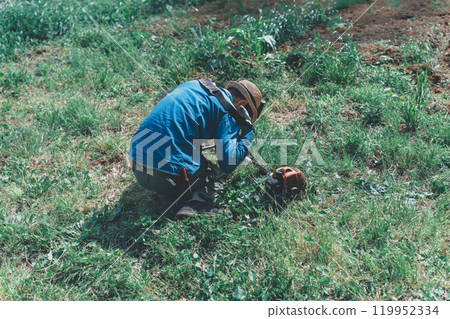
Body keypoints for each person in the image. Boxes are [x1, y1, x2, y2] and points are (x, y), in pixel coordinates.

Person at [128, 79, 264, 218]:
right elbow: (228, 163)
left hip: (135, 162)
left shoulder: (195, 85)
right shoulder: (228, 110)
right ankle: (196, 205)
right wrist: (248, 131)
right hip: (162, 177)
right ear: (241, 104)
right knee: (217, 173)